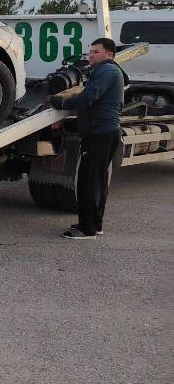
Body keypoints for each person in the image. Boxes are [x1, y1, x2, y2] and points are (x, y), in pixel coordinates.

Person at [50, 37, 127, 239]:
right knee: (96, 180)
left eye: (96, 51)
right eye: (90, 51)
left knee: (89, 182)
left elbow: (90, 96)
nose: (91, 55)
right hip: (101, 132)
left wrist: (62, 104)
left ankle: (87, 229)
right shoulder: (104, 71)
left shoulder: (108, 71)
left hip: (101, 133)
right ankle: (94, 224)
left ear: (109, 54)